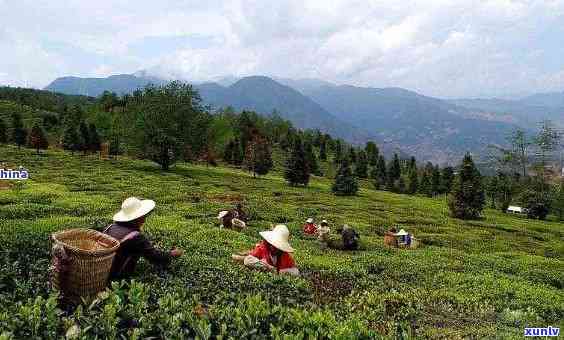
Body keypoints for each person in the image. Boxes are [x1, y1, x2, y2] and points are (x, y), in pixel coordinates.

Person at [104, 197, 183, 279]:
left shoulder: (110, 227)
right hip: (117, 277)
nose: (144, 218)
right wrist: (172, 254)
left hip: (104, 270)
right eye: (143, 216)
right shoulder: (136, 237)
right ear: (137, 218)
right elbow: (155, 257)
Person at [233, 224, 299, 276]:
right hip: (264, 267)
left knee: (295, 272)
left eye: (277, 246)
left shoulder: (285, 255)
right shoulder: (263, 247)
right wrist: (267, 266)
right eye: (273, 244)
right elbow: (249, 259)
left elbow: (295, 270)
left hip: (278, 272)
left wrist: (279, 271)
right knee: (248, 260)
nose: (274, 247)